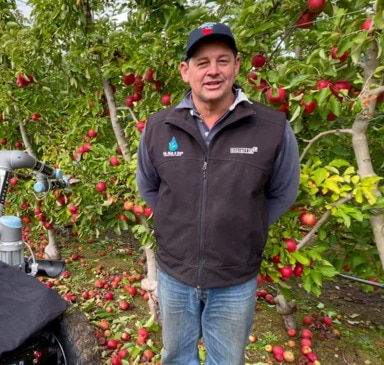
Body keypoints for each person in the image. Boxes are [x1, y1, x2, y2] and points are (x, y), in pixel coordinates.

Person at [135, 22, 300, 365]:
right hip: (174, 273)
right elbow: (150, 187)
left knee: (226, 360)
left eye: (222, 61)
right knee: (177, 356)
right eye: (202, 62)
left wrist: (243, 224)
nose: (213, 71)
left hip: (235, 278)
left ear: (237, 66)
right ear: (185, 71)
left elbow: (283, 192)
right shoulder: (158, 127)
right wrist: (177, 220)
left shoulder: (272, 127)